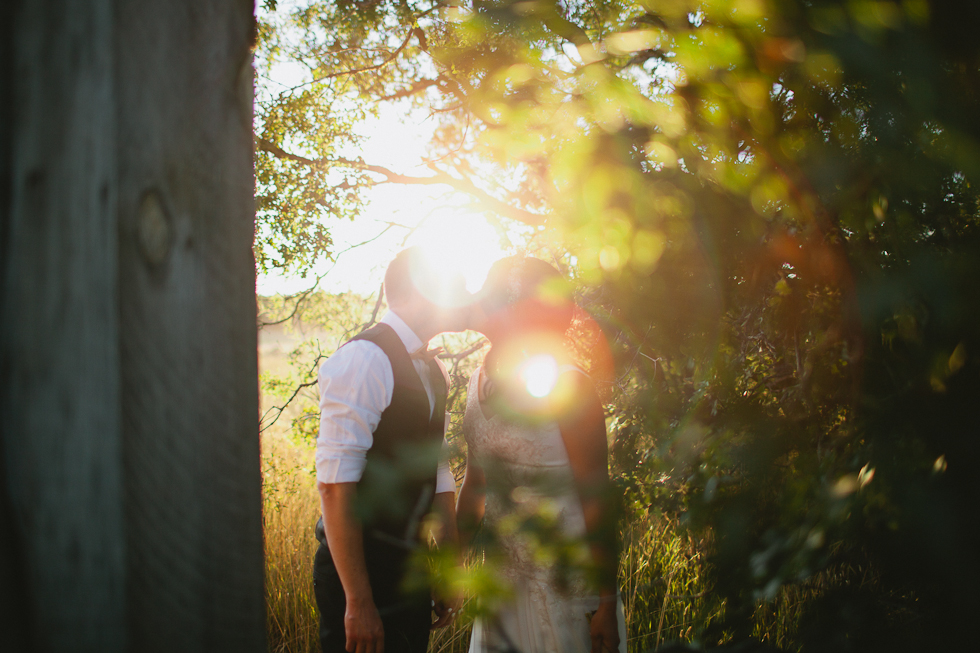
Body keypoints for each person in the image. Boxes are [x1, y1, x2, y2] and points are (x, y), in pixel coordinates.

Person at [456, 256, 626, 653]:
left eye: (491, 298)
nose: (478, 306)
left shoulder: (570, 387)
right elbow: (475, 484)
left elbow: (596, 498)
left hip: (567, 588)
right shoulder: (476, 382)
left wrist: (605, 602)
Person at [313, 247, 466, 653]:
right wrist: (358, 602)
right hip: (360, 575)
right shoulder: (365, 359)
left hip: (410, 568)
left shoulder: (436, 369)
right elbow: (334, 485)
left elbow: (438, 469)